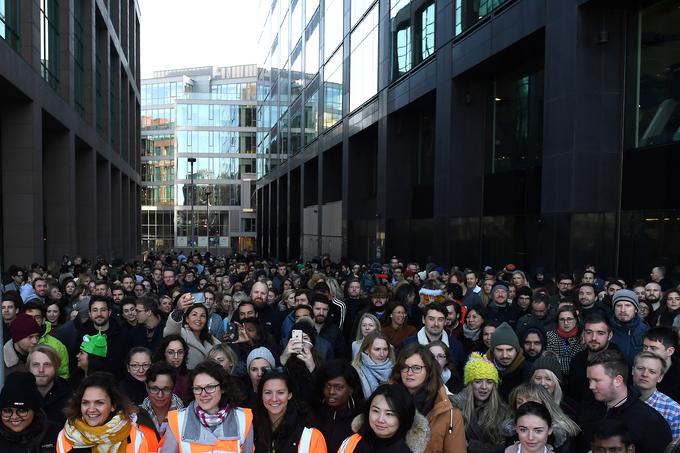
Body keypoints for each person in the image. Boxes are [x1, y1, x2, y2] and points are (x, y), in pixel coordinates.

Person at [578, 349, 672, 453]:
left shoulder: (651, 421)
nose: (591, 386)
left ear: (618, 380)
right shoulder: (587, 407)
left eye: (597, 380)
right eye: (589, 380)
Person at [161, 360, 253, 453]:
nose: (203, 394)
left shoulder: (244, 419)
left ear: (223, 388)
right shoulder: (177, 420)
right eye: (197, 388)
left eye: (210, 387)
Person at [390, 343, 467, 453]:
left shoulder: (449, 411)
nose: (409, 372)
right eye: (405, 367)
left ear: (429, 371)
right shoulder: (385, 400)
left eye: (417, 368)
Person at [57, 372, 149, 452]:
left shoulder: (135, 437)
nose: (91, 409)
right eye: (85, 403)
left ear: (113, 405)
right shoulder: (65, 436)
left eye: (99, 403)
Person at [338, 384, 430, 453]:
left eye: (389, 414)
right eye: (376, 411)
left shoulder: (409, 449)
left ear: (403, 416)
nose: (380, 419)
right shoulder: (352, 442)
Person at [253, 369, 327, 453]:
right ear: (261, 396)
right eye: (268, 392)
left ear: (289, 395)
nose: (274, 399)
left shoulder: (309, 436)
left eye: (280, 392)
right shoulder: (252, 431)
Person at [450, 352, 510, 453]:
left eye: (489, 382)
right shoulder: (455, 407)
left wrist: (472, 446)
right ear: (470, 384)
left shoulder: (504, 412)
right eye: (478, 381)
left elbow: (506, 449)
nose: (484, 387)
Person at [311, 360, 365, 453]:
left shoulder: (361, 420)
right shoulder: (313, 414)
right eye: (328, 386)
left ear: (351, 390)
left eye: (338, 387)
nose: (331, 392)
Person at [0, 371, 59, 452]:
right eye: (7, 411)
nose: (14, 417)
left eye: (21, 410)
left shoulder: (57, 435)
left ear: (35, 410)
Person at [566, 312, 617, 403]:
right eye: (589, 332)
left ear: (609, 335)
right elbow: (571, 394)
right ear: (583, 334)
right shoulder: (576, 360)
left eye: (600, 333)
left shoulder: (618, 362)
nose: (594, 338)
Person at [162, 295, 220, 369]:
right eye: (194, 315)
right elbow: (170, 333)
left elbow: (224, 352)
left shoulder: (210, 338)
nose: (198, 319)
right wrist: (178, 310)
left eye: (203, 316)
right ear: (187, 319)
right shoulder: (182, 333)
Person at [632, 351, 680, 439]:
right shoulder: (617, 399)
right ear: (632, 370)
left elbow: (675, 447)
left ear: (660, 377)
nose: (645, 374)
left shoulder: (674, 410)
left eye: (652, 372)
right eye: (640, 368)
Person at [138, 362, 185, 452]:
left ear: (174, 388)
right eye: (154, 389)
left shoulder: (186, 417)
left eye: (166, 389)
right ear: (147, 387)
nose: (160, 395)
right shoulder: (135, 416)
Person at [28, 344, 73, 428]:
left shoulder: (69, 397)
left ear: (56, 367)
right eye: (36, 365)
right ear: (29, 368)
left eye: (47, 365)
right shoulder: (20, 393)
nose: (41, 370)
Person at [487, 322, 531, 400]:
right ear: (492, 351)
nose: (505, 355)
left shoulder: (527, 370)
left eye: (509, 350)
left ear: (517, 350)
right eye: (499, 350)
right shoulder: (483, 368)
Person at [352, 332, 395, 398]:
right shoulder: (355, 372)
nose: (382, 354)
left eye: (385, 349)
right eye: (377, 349)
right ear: (366, 350)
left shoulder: (395, 371)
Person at [610, 289, 648, 363]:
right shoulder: (606, 329)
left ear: (636, 309)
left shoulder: (645, 331)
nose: (623, 310)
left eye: (628, 305)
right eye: (619, 305)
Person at [644, 327, 680, 403]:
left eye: (653, 348)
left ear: (670, 351)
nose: (647, 352)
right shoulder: (637, 367)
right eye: (645, 347)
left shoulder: (677, 375)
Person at [545, 306, 584, 376]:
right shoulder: (550, 336)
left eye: (569, 319)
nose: (566, 323)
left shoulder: (582, 337)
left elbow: (581, 364)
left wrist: (560, 361)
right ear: (558, 321)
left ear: (575, 320)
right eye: (562, 319)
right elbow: (550, 362)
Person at [156, 335, 190, 404]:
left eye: (180, 352)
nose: (176, 357)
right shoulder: (155, 375)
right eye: (170, 352)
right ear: (163, 353)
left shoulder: (190, 376)